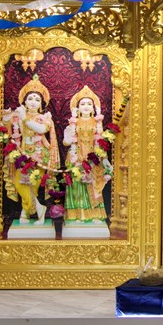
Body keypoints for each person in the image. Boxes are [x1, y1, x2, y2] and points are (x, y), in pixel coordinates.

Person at [2, 75, 60, 224]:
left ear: (41, 104)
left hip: (39, 155)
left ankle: (25, 213)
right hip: (22, 154)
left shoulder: (44, 118)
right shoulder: (19, 116)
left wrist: (25, 119)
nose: (33, 102)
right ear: (25, 102)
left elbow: (40, 129)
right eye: (30, 98)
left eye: (37, 99)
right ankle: (40, 209)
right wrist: (6, 117)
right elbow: (7, 128)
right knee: (20, 183)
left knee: (32, 185)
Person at [62, 86, 111, 226]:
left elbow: (100, 142)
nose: (86, 106)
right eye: (82, 103)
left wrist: (104, 159)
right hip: (76, 157)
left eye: (89, 103)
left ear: (94, 108)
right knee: (77, 187)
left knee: (94, 186)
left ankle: (95, 214)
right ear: (77, 108)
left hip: (93, 158)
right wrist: (68, 138)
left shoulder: (97, 123)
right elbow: (66, 142)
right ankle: (78, 214)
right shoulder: (73, 123)